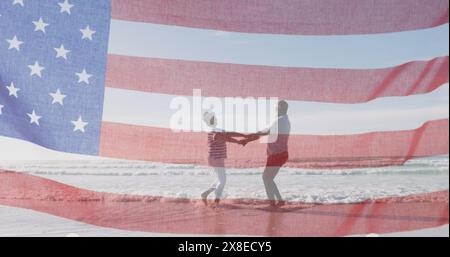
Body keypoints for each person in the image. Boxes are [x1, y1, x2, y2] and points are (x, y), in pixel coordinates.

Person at [241, 100, 291, 206]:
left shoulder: (279, 121)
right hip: (280, 153)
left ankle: (272, 203)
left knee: (266, 178)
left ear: (280, 108)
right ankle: (279, 201)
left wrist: (247, 139)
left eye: (276, 107)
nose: (274, 109)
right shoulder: (284, 120)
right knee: (269, 178)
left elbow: (264, 133)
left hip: (277, 154)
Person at [201, 111, 246, 206]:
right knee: (223, 181)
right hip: (216, 158)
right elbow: (226, 138)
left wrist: (243, 135)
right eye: (212, 118)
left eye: (214, 117)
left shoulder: (217, 129)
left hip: (215, 157)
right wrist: (238, 142)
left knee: (219, 180)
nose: (215, 119)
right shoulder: (214, 131)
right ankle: (216, 201)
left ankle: (205, 194)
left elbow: (230, 134)